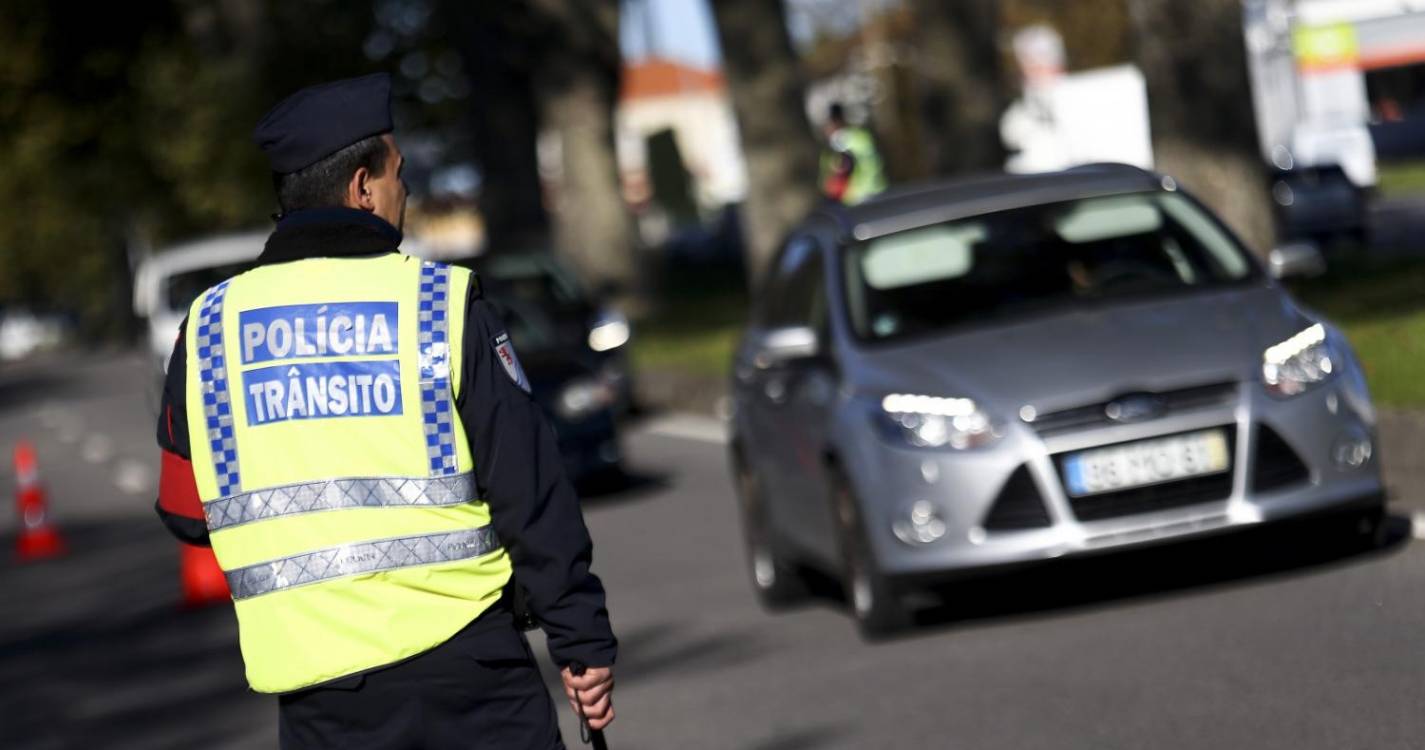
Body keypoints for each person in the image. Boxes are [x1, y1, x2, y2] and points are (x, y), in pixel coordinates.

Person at [153, 73, 616, 749]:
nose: (408, 189)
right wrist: (580, 638)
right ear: (363, 187)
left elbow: (185, 511)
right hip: (471, 674)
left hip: (319, 696)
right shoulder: (438, 305)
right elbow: (528, 487)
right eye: (400, 172)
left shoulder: (208, 329)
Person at [819, 102, 887, 205]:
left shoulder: (854, 140)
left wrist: (858, 193)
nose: (827, 128)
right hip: (848, 201)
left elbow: (870, 167)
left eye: (830, 123)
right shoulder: (829, 149)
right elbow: (827, 178)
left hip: (869, 197)